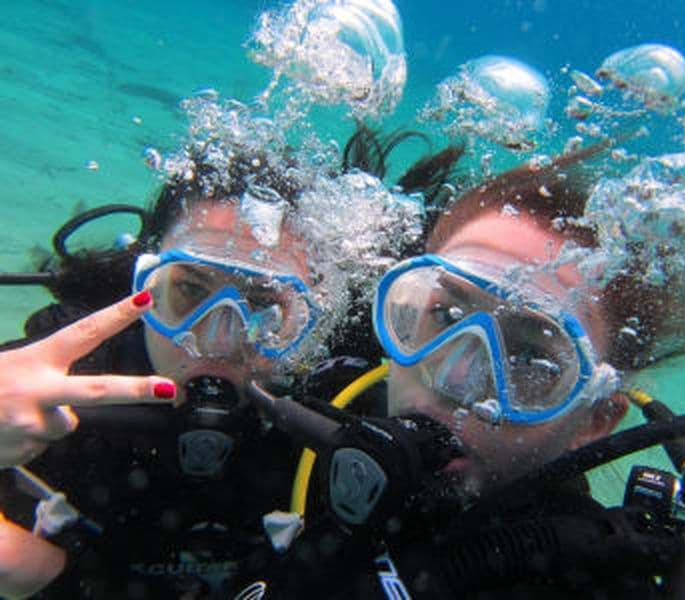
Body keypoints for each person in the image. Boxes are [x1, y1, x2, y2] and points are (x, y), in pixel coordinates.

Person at [253, 144, 685, 599]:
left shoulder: (584, 577)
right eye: (446, 316)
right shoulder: (302, 411)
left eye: (529, 356)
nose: (454, 378)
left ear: (596, 419)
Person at [0, 121, 463, 599]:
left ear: (315, 318)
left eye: (264, 305)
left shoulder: (348, 409)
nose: (218, 341)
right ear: (148, 284)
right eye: (190, 290)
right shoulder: (67, 372)